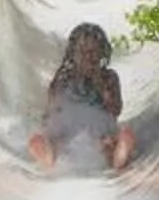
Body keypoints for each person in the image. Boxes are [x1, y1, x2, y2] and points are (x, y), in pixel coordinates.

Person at [30, 22, 135, 172]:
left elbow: (116, 110)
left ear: (102, 54)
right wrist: (53, 130)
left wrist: (99, 83)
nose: (88, 57)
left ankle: (117, 160)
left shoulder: (109, 77)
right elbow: (50, 112)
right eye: (83, 52)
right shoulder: (64, 79)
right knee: (39, 138)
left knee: (125, 134)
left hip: (101, 135)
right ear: (72, 55)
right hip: (67, 135)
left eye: (93, 52)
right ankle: (49, 159)